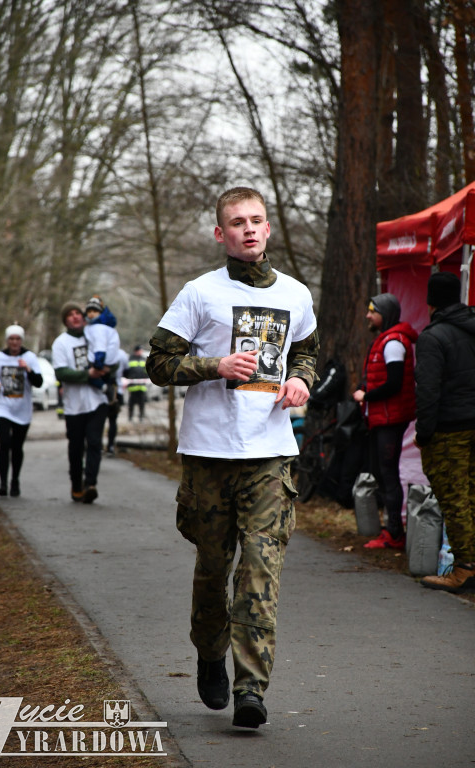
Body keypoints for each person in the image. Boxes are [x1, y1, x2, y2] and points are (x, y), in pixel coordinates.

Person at [146, 186, 319, 729]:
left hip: (269, 455)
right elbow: (157, 362)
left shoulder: (295, 294)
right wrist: (214, 366)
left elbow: (307, 353)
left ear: (268, 229)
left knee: (260, 570)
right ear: (221, 233)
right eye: (237, 222)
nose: (248, 229)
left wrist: (300, 381)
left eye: (257, 220)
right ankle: (208, 651)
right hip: (208, 455)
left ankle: (252, 690)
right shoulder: (200, 293)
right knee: (213, 570)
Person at [414, 272, 475, 593]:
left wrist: (424, 434)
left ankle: (464, 568)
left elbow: (428, 392)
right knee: (472, 494)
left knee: (455, 499)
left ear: (430, 300)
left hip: (450, 429)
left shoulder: (432, 337)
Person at [353, 293, 418, 549]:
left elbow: (394, 383)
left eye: (373, 310)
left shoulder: (393, 343)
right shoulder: (385, 340)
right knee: (382, 473)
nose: (368, 315)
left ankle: (395, 534)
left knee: (388, 475)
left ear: (386, 313)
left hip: (390, 419)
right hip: (381, 418)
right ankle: (391, 530)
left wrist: (366, 395)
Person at [52, 301, 109, 503]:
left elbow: (112, 355)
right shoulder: (61, 343)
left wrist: (108, 369)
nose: (75, 316)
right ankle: (76, 483)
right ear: (65, 320)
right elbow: (61, 372)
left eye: (78, 313)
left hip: (97, 401)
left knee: (94, 442)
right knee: (76, 447)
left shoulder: (95, 335)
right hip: (73, 405)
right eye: (70, 314)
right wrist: (88, 374)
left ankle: (90, 484)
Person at [0, 325, 43, 496]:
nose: (14, 342)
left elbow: (38, 382)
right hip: (2, 406)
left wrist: (28, 369)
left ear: (22, 340)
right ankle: (3, 483)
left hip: (22, 408)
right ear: (7, 340)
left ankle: (15, 481)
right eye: (11, 339)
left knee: (17, 447)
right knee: (4, 443)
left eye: (18, 339)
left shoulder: (30, 357)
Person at [84, 294, 120, 400]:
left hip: (100, 362)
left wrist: (97, 366)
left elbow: (100, 348)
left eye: (94, 312)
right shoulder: (106, 328)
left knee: (86, 375)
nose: (91, 314)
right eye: (89, 312)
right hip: (109, 362)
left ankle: (106, 389)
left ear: (100, 313)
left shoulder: (98, 328)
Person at [105, 347, 129, 457]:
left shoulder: (97, 351)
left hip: (101, 391)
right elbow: (126, 372)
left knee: (97, 420)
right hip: (116, 391)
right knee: (113, 420)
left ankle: (96, 446)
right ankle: (110, 446)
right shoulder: (122, 354)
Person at [126, 346, 149, 422]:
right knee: (131, 403)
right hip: (132, 386)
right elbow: (126, 371)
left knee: (142, 403)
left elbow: (146, 371)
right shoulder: (130, 359)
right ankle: (130, 416)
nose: (141, 352)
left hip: (142, 386)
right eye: (140, 351)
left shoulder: (143, 359)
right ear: (136, 351)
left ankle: (141, 417)